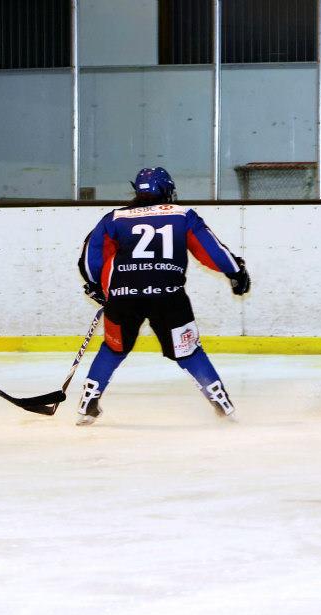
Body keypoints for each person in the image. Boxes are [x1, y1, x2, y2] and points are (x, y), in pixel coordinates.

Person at [75, 167, 251, 425]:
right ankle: (223, 407)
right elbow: (211, 250)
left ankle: (87, 405)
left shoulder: (113, 218)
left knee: (113, 348)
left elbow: (91, 257)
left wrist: (97, 288)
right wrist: (235, 271)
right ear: (168, 190)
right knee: (189, 351)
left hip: (123, 297)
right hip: (169, 297)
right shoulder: (183, 215)